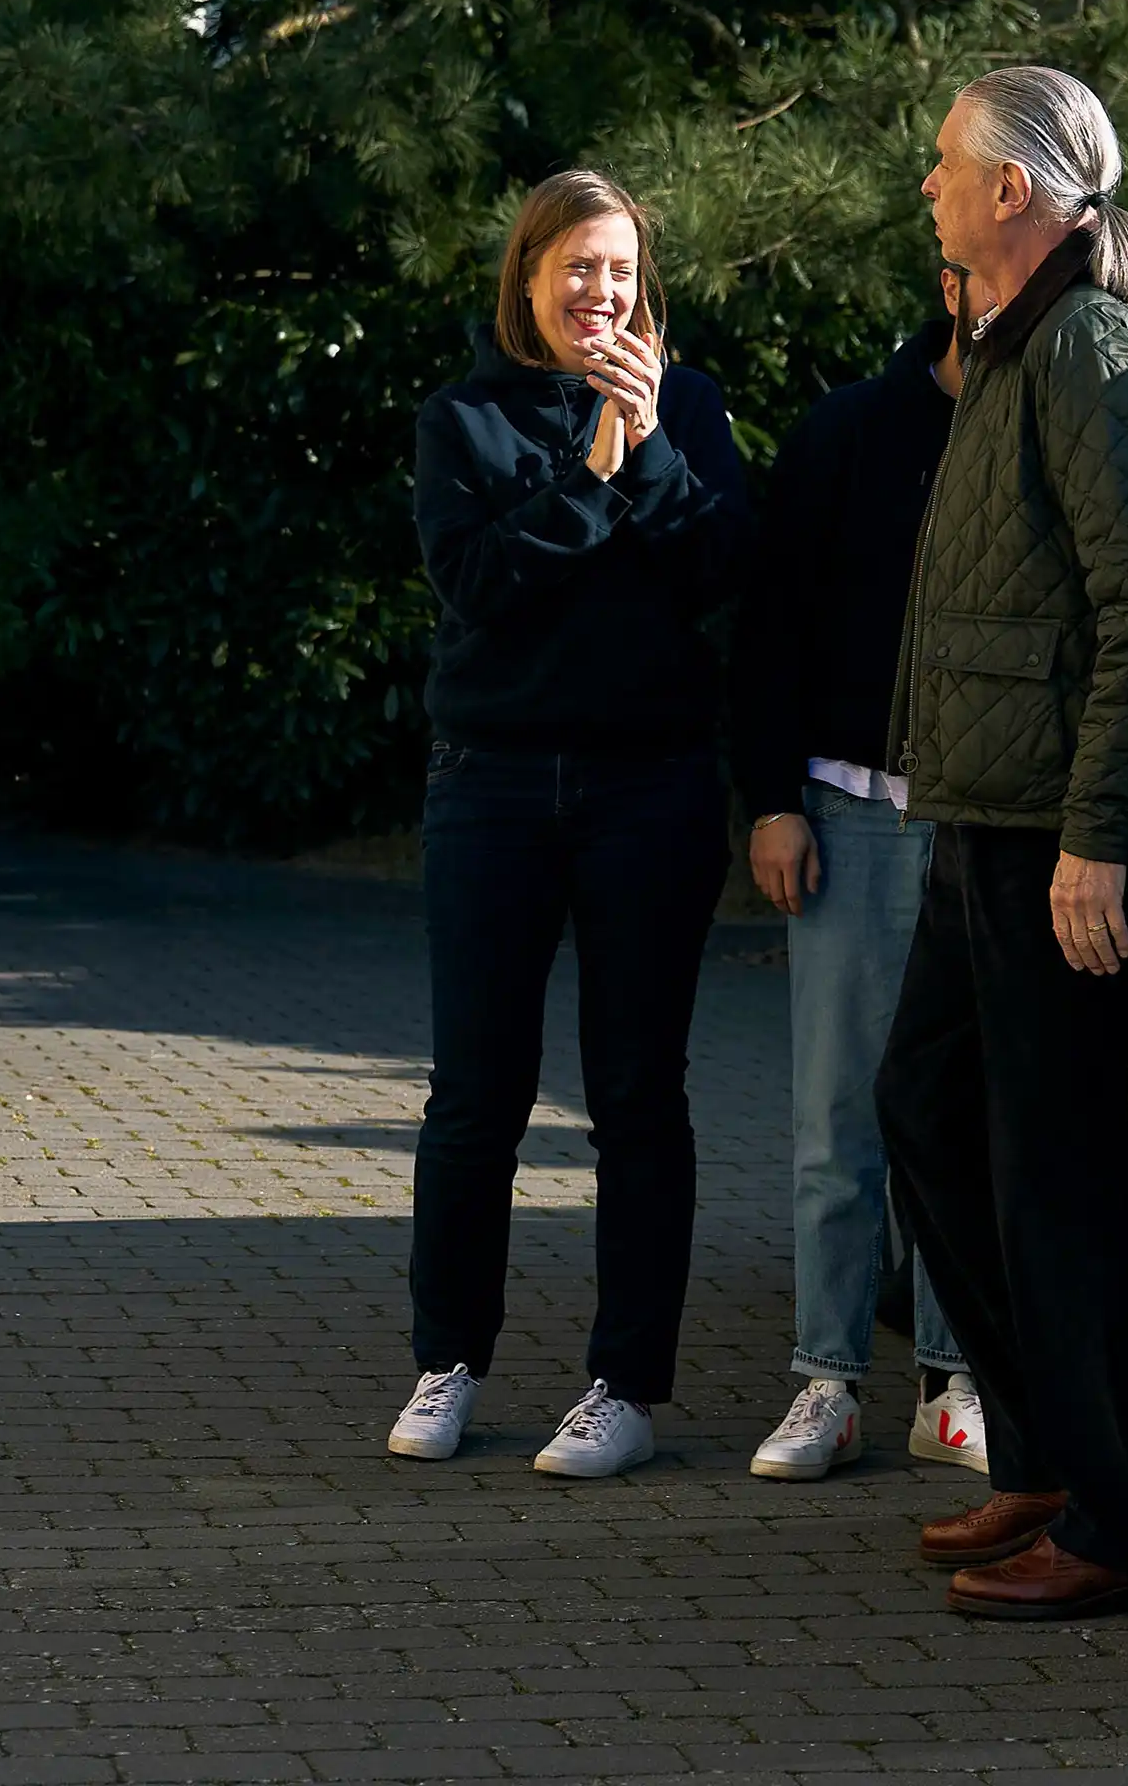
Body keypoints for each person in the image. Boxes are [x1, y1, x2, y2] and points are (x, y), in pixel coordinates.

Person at [879, 66, 1128, 1618]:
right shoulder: (1016, 341)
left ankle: (1119, 1527)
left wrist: (1097, 840)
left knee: (1058, 1179)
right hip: (989, 818)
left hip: (1057, 834)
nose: (928, 188)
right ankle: (1037, 1460)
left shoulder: (1094, 347)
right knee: (927, 1112)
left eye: (946, 165)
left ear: (1015, 194)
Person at [389, 169, 755, 1479]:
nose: (600, 293)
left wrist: (650, 452)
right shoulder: (465, 420)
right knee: (474, 1096)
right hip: (491, 789)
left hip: (648, 793)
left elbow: (723, 574)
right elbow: (482, 589)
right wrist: (597, 465)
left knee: (637, 1099)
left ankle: (625, 1385)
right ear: (529, 280)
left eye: (620, 272)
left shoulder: (692, 410)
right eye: (576, 270)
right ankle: (450, 1358)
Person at [731, 264, 975, 1482]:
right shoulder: (847, 432)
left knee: (959, 1118)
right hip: (851, 806)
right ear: (952, 287)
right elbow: (769, 626)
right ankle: (825, 1380)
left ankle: (953, 1385)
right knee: (840, 1122)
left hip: (990, 817)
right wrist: (773, 799)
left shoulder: (1044, 424)